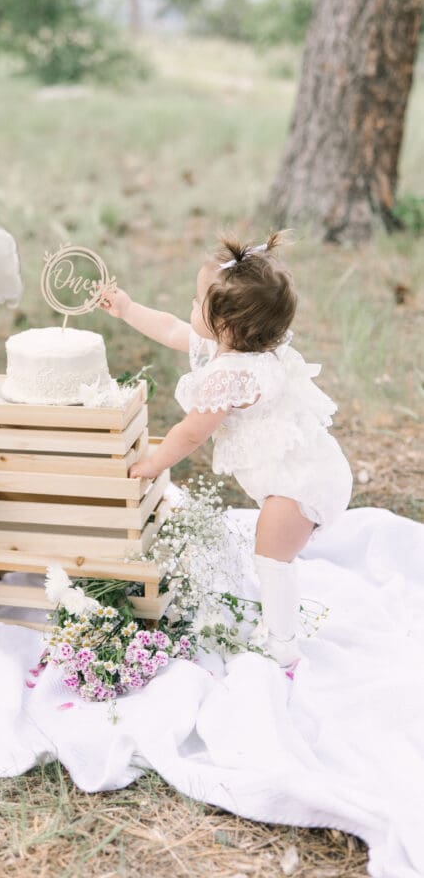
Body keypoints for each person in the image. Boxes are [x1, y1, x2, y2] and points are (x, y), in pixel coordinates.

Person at [99, 232, 352, 667]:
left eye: (197, 303)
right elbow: (169, 328)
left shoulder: (233, 376)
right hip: (309, 471)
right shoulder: (242, 345)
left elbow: (190, 433)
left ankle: (281, 643)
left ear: (227, 326)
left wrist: (153, 463)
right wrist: (126, 308)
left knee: (271, 558)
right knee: (272, 554)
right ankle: (278, 625)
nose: (190, 309)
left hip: (300, 487)